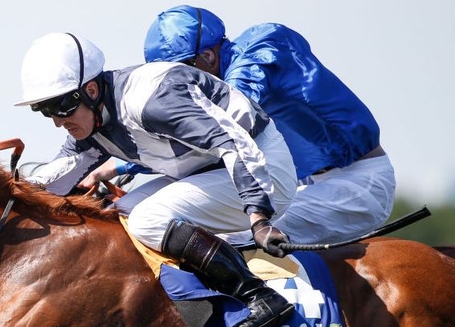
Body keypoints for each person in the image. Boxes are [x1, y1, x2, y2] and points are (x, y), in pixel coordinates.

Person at [15, 32, 299, 327]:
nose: (57, 122)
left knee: (148, 219)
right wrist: (2, 186)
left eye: (61, 106)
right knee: (119, 214)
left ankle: (260, 298)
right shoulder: (93, 122)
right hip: (211, 170)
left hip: (262, 169)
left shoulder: (153, 103)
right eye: (45, 110)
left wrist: (259, 217)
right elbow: (54, 179)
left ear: (91, 90)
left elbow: (233, 145)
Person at [143, 6, 396, 244]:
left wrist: (125, 165)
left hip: (359, 183)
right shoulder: (228, 67)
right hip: (308, 186)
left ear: (207, 56)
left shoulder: (262, 49)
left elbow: (225, 118)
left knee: (235, 240)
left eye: (179, 75)